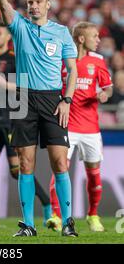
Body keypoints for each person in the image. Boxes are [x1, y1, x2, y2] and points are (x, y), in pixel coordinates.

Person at [0, 0, 78, 237]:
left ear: (48, 4)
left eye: (38, 2)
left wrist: (66, 100)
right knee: (25, 162)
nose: (33, 6)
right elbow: (5, 7)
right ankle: (28, 224)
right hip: (23, 98)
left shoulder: (62, 33)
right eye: (30, 2)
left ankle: (67, 221)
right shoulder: (20, 27)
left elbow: (72, 71)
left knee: (59, 161)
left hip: (53, 100)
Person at [0, 21, 53, 229]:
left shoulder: (17, 60)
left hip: (12, 121)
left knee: (17, 171)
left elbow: (27, 87)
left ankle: (47, 205)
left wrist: (4, 84)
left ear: (8, 37)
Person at [47, 22, 113, 232]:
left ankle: (93, 214)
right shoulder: (63, 60)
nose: (99, 40)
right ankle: (56, 216)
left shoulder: (98, 61)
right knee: (59, 169)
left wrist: (104, 94)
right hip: (67, 125)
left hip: (91, 127)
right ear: (82, 39)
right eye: (95, 36)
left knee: (93, 173)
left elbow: (108, 88)